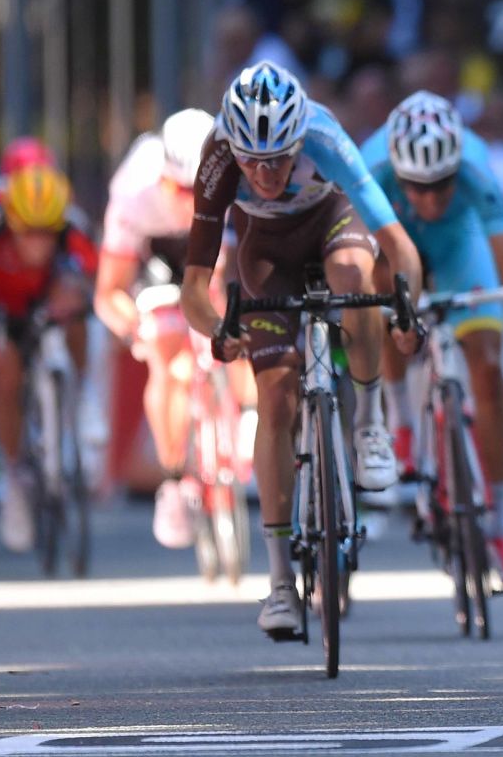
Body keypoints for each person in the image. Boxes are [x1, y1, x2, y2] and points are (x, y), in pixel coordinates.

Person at [181, 61, 423, 639]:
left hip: (332, 222)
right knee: (276, 398)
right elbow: (194, 285)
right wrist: (217, 328)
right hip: (266, 250)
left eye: (280, 159)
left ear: (299, 142)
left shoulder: (323, 135)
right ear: (234, 149)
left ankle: (369, 425)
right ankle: (280, 582)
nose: (266, 175)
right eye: (253, 162)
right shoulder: (217, 155)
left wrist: (406, 308)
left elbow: (398, 245)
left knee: (354, 277)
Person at [361, 90, 503, 590]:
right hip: (397, 244)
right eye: (419, 187)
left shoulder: (476, 168)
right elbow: (356, 259)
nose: (432, 199)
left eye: (442, 185)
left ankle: (500, 525)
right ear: (399, 173)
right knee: (381, 293)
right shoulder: (372, 168)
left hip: (460, 245)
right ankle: (400, 419)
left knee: (488, 364)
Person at [93, 108, 223, 549]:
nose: (189, 200)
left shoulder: (235, 181)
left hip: (212, 247)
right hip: (158, 259)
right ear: (162, 176)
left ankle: (244, 419)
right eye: (179, 189)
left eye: (198, 189)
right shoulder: (134, 191)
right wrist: (137, 332)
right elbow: (109, 292)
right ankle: (174, 478)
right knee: (171, 361)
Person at [0, 165, 97, 552]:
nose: (37, 244)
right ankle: (13, 474)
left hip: (46, 307)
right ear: (13, 225)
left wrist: (72, 297)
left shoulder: (73, 234)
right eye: (28, 233)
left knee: (78, 323)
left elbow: (90, 285)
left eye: (46, 233)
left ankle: (83, 395)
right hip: (0, 315)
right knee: (7, 376)